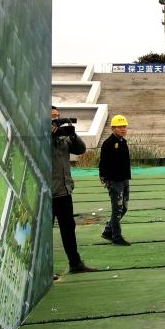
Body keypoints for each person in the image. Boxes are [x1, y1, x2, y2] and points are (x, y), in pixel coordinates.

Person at [50, 106, 97, 275]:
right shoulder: (38, 136)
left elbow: (81, 149)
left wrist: (73, 135)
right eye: (53, 117)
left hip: (64, 191)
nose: (57, 119)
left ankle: (75, 263)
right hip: (47, 194)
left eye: (58, 116)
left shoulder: (64, 137)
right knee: (44, 235)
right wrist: (50, 135)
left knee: (68, 229)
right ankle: (44, 270)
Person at [99, 114, 132, 246]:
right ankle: (116, 237)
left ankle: (108, 231)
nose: (123, 129)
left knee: (124, 208)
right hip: (114, 181)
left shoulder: (123, 142)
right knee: (117, 209)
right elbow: (103, 162)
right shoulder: (108, 143)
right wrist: (104, 177)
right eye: (120, 127)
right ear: (113, 128)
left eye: (124, 126)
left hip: (124, 179)